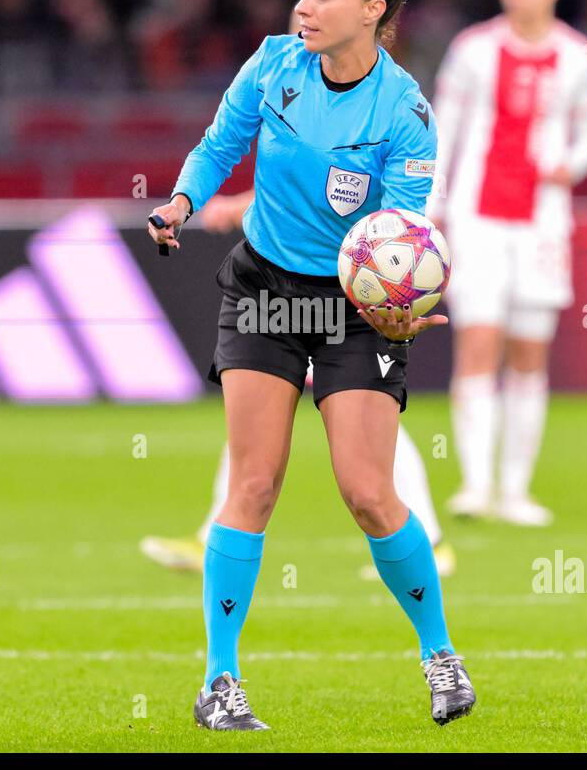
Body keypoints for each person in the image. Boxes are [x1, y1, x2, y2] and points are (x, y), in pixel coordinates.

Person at [148, 0, 475, 731]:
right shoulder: (273, 63)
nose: (304, 6)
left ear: (373, 9)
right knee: (251, 484)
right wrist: (183, 200)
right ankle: (219, 683)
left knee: (368, 494)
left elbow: (400, 233)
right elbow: (221, 142)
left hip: (353, 308)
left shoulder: (405, 111)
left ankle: (440, 656)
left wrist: (401, 298)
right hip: (264, 288)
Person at [140, 186, 456, 582]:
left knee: (362, 424)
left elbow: (325, 192)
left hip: (336, 298)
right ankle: (214, 532)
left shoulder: (394, 135)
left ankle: (430, 538)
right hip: (309, 293)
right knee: (260, 422)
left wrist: (235, 206)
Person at [428, 0, 587, 527]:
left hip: (543, 223)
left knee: (529, 354)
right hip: (478, 219)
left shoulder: (581, 56)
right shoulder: (473, 50)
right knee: (479, 343)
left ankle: (516, 491)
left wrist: (571, 164)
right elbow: (442, 130)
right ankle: (476, 486)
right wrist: (432, 203)